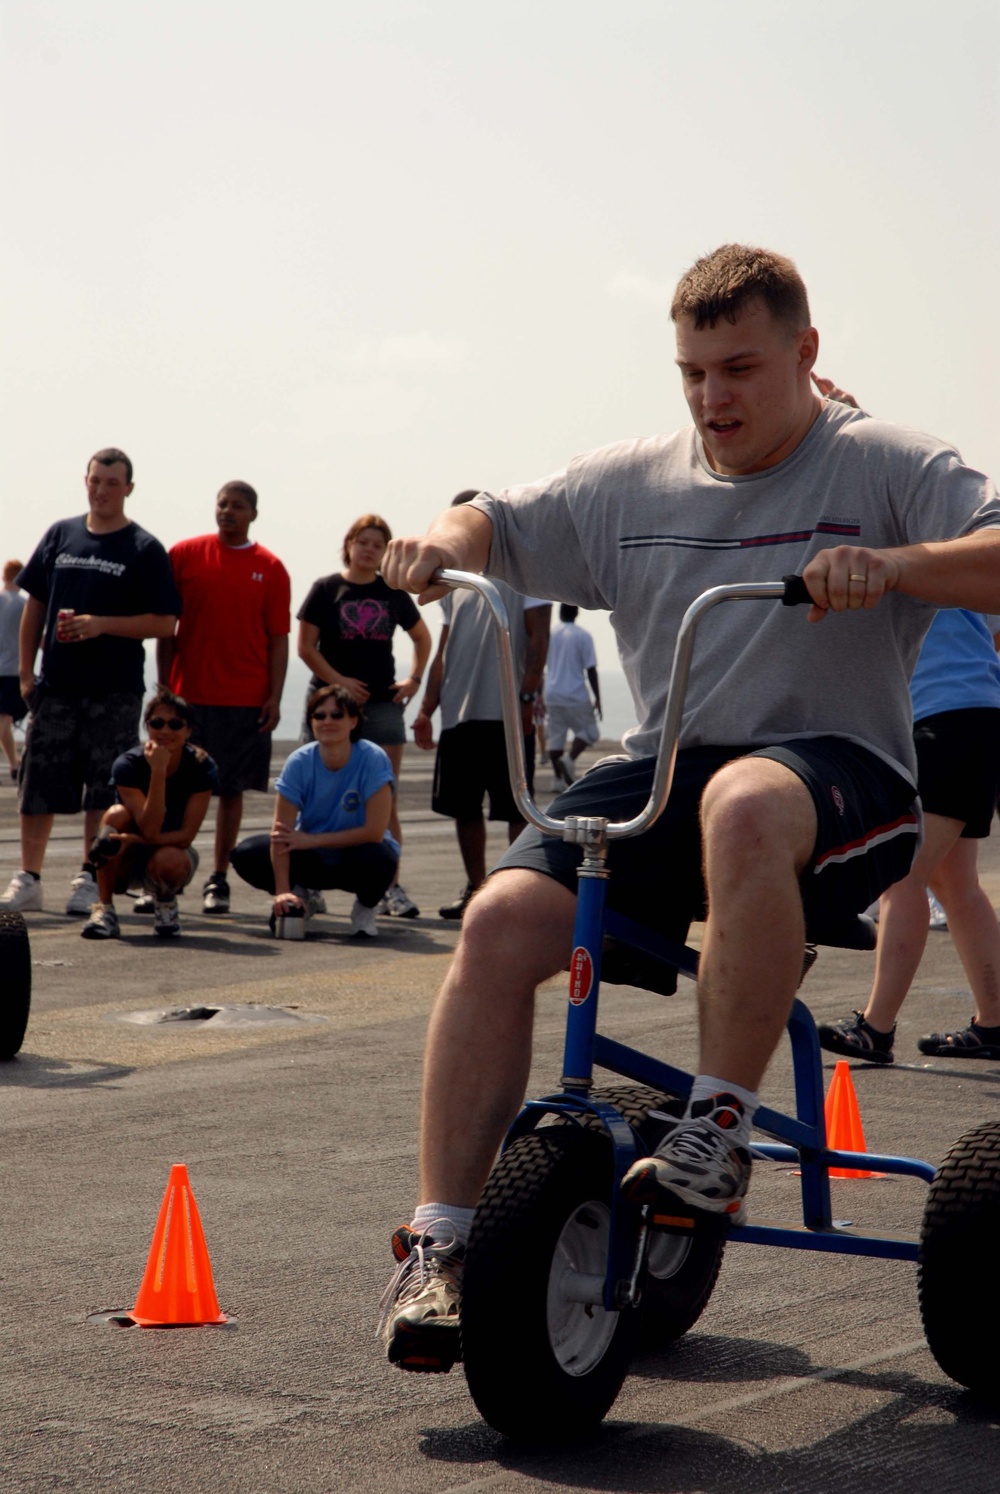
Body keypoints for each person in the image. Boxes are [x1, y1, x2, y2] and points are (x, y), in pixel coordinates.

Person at [375, 243, 1000, 1374]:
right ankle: (445, 1246)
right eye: (692, 372)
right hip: (663, 765)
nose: (713, 398)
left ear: (808, 355)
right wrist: (442, 543)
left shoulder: (885, 460)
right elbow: (494, 518)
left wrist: (896, 566)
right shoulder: (634, 480)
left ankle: (716, 1127)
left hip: (838, 770)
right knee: (497, 919)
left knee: (747, 802)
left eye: (741, 369)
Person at [1, 449, 180, 916]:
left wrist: (102, 624)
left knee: (103, 790)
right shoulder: (62, 534)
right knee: (38, 785)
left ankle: (87, 874)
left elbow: (165, 622)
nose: (101, 490)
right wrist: (25, 675)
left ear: (129, 489)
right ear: (85, 480)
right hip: (55, 685)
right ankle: (30, 877)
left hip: (114, 691)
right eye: (95, 480)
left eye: (112, 483)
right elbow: (34, 605)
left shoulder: (144, 548)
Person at [819, 606, 1000, 1063]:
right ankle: (996, 1022)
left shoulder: (892, 546)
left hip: (943, 720)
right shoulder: (958, 548)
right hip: (974, 713)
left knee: (903, 877)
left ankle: (875, 1029)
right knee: (955, 884)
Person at [412, 491, 550, 921]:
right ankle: (476, 889)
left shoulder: (528, 574)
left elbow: (539, 639)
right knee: (464, 808)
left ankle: (512, 893)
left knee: (516, 810)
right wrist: (426, 708)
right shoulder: (451, 582)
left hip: (508, 712)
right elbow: (445, 649)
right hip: (460, 714)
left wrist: (527, 698)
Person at [157, 480, 291, 918]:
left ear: (253, 513)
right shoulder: (183, 555)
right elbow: (166, 629)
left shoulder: (270, 567)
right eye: (221, 504)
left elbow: (277, 639)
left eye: (237, 506)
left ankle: (218, 878)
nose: (227, 511)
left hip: (244, 699)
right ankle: (164, 876)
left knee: (230, 792)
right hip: (189, 698)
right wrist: (165, 688)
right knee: (176, 791)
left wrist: (274, 695)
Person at [297, 515, 431, 920]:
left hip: (381, 704)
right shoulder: (325, 588)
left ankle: (390, 886)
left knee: (384, 798)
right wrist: (339, 685)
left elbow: (422, 637)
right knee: (313, 793)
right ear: (349, 544)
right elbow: (306, 646)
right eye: (363, 541)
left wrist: (413, 679)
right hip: (331, 704)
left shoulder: (392, 591)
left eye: (378, 544)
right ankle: (307, 884)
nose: (369, 549)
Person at [230, 684, 399, 937]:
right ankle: (301, 894)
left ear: (353, 721)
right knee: (246, 853)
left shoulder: (373, 759)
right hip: (311, 856)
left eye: (337, 715)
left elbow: (374, 832)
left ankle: (365, 907)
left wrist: (311, 839)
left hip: (354, 855)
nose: (327, 721)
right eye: (319, 715)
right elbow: (282, 833)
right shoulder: (299, 762)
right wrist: (282, 891)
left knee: (382, 857)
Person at [81, 687, 217, 939]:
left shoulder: (201, 767)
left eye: (176, 724)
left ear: (188, 731)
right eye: (157, 723)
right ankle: (105, 908)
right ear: (147, 727)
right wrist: (157, 771)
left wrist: (158, 772)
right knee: (114, 816)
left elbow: (186, 836)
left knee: (171, 860)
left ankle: (165, 902)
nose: (165, 731)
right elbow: (149, 825)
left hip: (170, 851)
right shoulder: (128, 765)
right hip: (125, 857)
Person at [544, 603, 602, 787]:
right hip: (575, 693)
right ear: (577, 613)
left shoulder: (549, 634)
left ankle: (557, 780)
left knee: (556, 737)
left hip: (552, 692)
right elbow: (591, 668)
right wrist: (598, 697)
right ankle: (569, 761)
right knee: (590, 732)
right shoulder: (583, 635)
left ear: (559, 613)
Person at [0, 560, 27, 783]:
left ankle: (14, 763)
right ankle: (15, 764)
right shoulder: (22, 605)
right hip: (11, 670)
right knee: (5, 719)